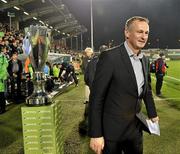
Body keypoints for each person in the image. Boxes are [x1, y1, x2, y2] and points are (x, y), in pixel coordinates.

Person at [88, 16, 159, 154]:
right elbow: (96, 98)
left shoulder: (144, 60)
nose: (144, 36)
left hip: (135, 130)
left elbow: (147, 90)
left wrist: (153, 114)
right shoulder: (109, 57)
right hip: (112, 132)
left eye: (146, 33)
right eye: (139, 32)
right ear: (127, 33)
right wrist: (96, 134)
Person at [0, 46, 9, 113]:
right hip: (2, 78)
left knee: (1, 94)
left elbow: (4, 68)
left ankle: (3, 109)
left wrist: (1, 77)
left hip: (1, 79)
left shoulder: (3, 57)